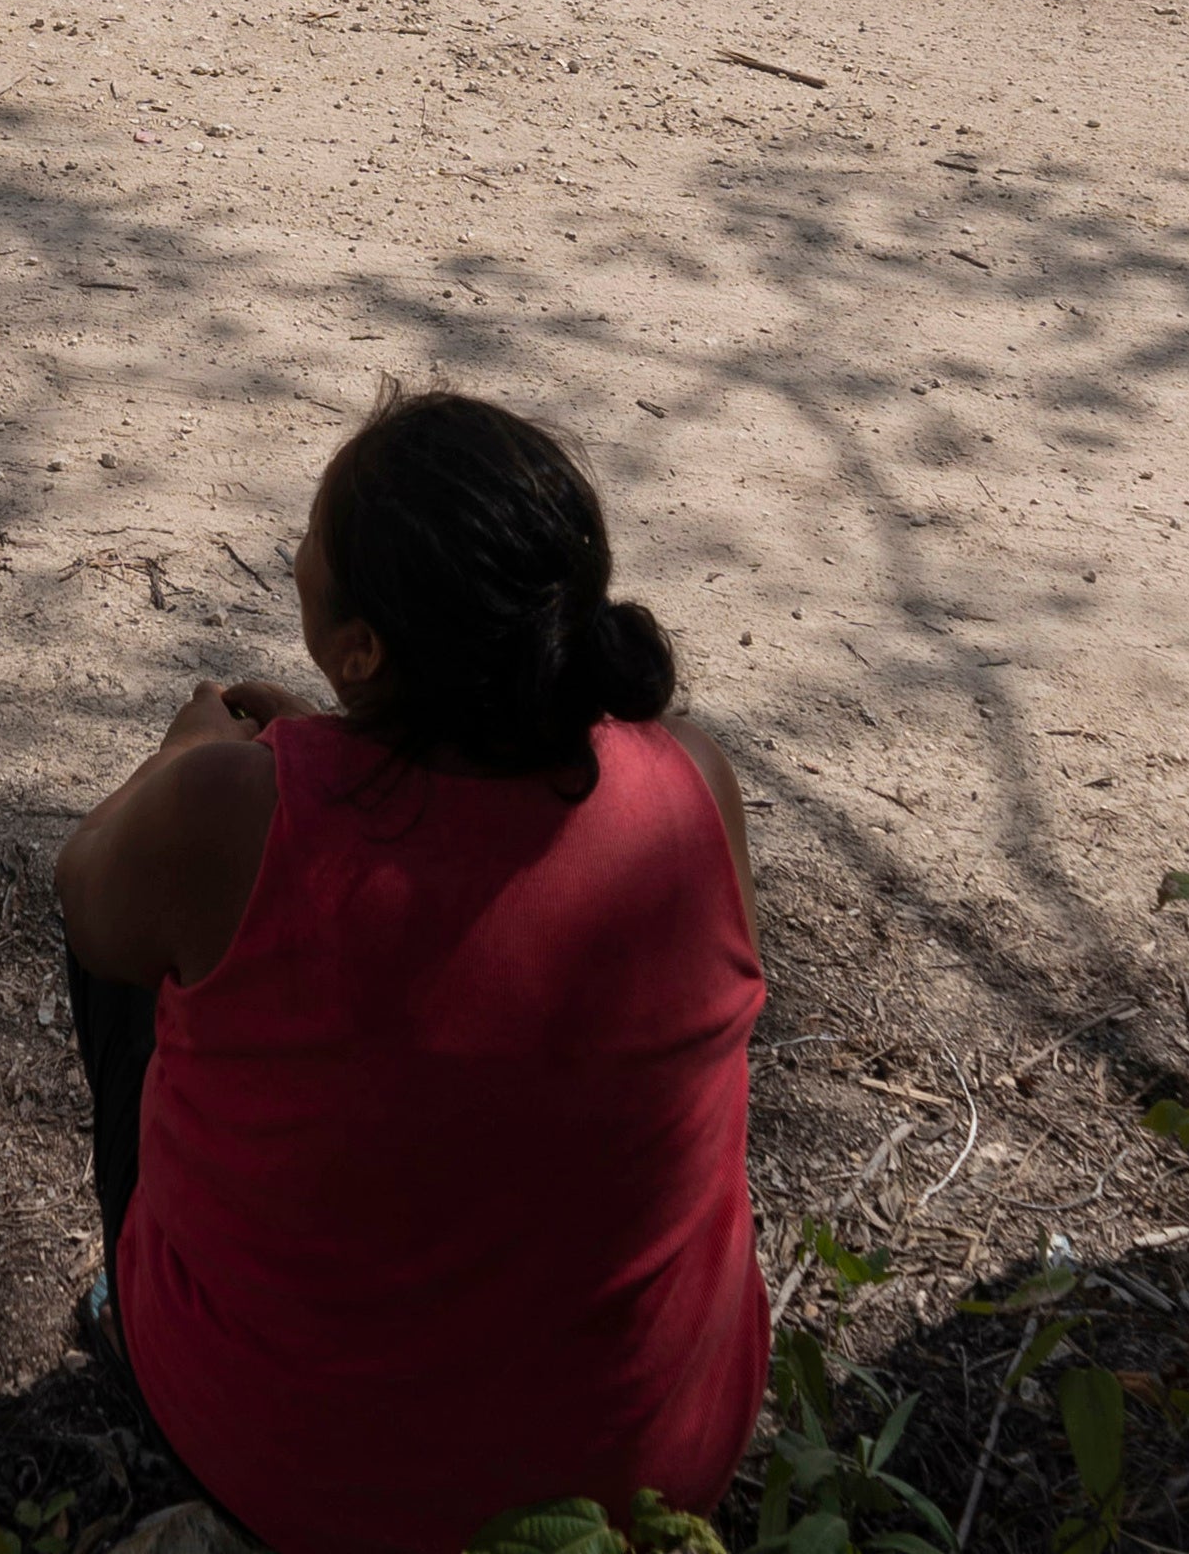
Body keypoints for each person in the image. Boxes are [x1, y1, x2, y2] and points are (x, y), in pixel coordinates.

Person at [53, 393, 765, 1553]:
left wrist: (186, 759)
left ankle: (149, 1323)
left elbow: (85, 890)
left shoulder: (225, 811)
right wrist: (341, 749)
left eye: (310, 536)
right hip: (649, 1474)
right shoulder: (691, 782)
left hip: (302, 1480)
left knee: (141, 941)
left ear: (360, 650)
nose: (295, 549)